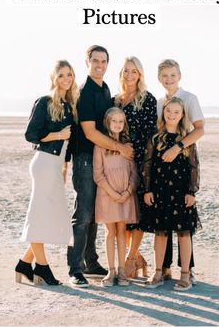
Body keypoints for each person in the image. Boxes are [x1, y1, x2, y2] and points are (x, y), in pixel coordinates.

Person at [67, 45, 133, 288]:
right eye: (95, 60)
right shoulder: (84, 92)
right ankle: (75, 268)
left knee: (96, 213)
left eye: (104, 61)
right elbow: (90, 132)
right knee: (83, 215)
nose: (100, 65)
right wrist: (121, 149)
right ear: (87, 62)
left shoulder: (105, 90)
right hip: (85, 158)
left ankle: (90, 262)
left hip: (102, 158)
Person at [15, 60, 78, 286]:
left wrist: (64, 168)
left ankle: (24, 264)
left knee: (48, 216)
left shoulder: (69, 106)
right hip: (43, 163)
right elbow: (31, 135)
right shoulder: (44, 102)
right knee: (39, 216)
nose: (66, 79)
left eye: (69, 74)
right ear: (54, 78)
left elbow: (67, 147)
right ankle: (42, 268)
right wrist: (57, 135)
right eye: (61, 75)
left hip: (55, 165)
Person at [143, 97, 202, 291]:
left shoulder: (186, 139)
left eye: (177, 112)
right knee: (160, 233)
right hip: (160, 191)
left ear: (183, 115)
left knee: (184, 233)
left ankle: (185, 274)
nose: (172, 115)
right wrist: (147, 189)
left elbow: (194, 166)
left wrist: (192, 191)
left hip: (181, 192)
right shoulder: (155, 137)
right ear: (163, 112)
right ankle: (159, 271)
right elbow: (148, 165)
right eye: (169, 111)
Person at [157, 59, 204, 284]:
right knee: (164, 222)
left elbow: (200, 129)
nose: (169, 79)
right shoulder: (159, 103)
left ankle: (187, 270)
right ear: (159, 78)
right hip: (162, 170)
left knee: (184, 223)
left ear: (179, 75)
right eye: (164, 76)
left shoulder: (189, 98)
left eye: (172, 75)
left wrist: (178, 147)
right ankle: (163, 268)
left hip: (183, 162)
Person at [114, 56, 157, 278]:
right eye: (126, 71)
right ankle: (137, 257)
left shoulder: (147, 99)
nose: (129, 75)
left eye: (134, 71)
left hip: (140, 162)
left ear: (140, 74)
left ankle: (130, 259)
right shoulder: (115, 100)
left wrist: (132, 148)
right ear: (121, 73)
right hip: (119, 164)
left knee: (138, 212)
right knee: (124, 213)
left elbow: (152, 135)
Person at [93, 107, 139, 287]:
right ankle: (110, 270)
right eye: (114, 121)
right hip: (107, 194)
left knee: (122, 232)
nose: (118, 124)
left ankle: (122, 270)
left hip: (125, 195)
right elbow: (98, 175)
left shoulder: (128, 146)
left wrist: (127, 192)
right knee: (110, 232)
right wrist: (113, 194)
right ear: (107, 123)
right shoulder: (101, 146)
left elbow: (135, 173)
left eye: (121, 121)